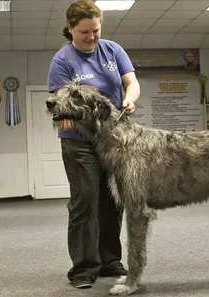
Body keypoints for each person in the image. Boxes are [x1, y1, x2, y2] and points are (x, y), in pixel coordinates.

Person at [47, 0, 140, 289]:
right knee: (85, 201)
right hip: (79, 143)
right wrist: (67, 116)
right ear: (71, 29)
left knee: (113, 201)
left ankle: (110, 260)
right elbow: (62, 102)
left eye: (95, 30)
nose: (91, 37)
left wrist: (130, 98)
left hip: (114, 138)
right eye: (84, 32)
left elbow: (131, 82)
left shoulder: (113, 50)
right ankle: (84, 268)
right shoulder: (62, 60)